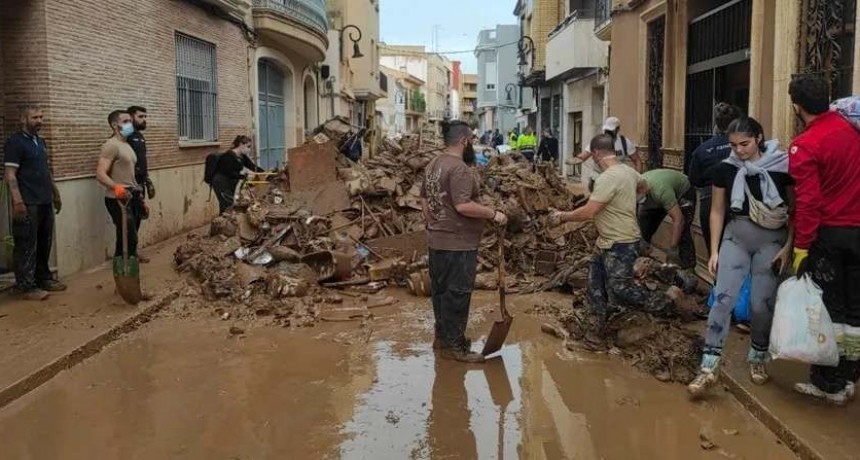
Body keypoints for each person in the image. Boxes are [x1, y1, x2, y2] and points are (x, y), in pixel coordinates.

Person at [687, 117, 794, 399]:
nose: (739, 150)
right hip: (735, 237)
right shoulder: (725, 169)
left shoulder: (783, 167)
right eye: (734, 145)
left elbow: (795, 211)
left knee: (761, 305)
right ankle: (709, 366)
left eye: (744, 144)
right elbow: (717, 211)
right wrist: (714, 250)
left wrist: (790, 246)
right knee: (722, 300)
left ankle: (758, 355)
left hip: (772, 242)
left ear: (759, 138)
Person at [552, 134, 674, 335]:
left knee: (620, 288)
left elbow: (588, 212)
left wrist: (561, 217)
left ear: (596, 153)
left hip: (622, 242)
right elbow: (645, 187)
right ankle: (595, 326)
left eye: (592, 156)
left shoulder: (607, 179)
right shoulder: (629, 171)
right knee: (595, 283)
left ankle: (665, 302)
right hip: (606, 241)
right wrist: (627, 200)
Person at [788, 74, 860, 405]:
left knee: (830, 310)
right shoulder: (851, 131)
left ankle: (828, 382)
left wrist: (801, 247)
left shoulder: (805, 145)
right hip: (857, 234)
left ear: (797, 107)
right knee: (855, 310)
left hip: (828, 236)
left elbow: (809, 202)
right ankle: (848, 377)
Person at [421, 120, 507, 363]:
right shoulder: (459, 168)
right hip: (458, 245)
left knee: (440, 293)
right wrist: (493, 214)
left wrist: (435, 224)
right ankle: (456, 347)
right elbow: (463, 205)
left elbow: (425, 202)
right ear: (464, 141)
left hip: (437, 241)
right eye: (472, 140)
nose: (472, 145)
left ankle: (442, 339)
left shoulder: (433, 164)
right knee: (457, 294)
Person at [3, 105, 66, 300]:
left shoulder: (40, 142)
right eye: (34, 117)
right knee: (26, 244)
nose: (39, 120)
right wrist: (18, 201)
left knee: (44, 241)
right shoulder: (15, 142)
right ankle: (26, 286)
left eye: (41, 117)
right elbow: (10, 174)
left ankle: (43, 277)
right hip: (28, 201)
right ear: (23, 119)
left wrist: (55, 194)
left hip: (44, 199)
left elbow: (46, 171)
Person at [688, 103, 742, 256]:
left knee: (715, 251)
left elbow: (693, 180)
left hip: (709, 201)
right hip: (738, 201)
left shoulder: (702, 149)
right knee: (740, 251)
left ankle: (720, 279)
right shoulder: (743, 146)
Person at [95, 110, 147, 263]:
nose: (129, 125)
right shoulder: (111, 145)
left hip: (131, 195)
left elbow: (130, 174)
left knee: (129, 238)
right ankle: (122, 273)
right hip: (117, 198)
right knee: (128, 236)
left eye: (130, 121)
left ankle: (127, 273)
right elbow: (100, 173)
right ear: (114, 125)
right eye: (125, 122)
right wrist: (117, 188)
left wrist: (141, 198)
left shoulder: (127, 145)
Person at [637, 169, 697, 269]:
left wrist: (673, 248)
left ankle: (687, 267)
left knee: (683, 230)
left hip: (684, 191)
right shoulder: (632, 187)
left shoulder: (661, 191)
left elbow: (679, 220)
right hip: (657, 190)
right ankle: (642, 259)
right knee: (644, 227)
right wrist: (640, 239)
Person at [211, 135, 264, 214]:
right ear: (241, 145)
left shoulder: (242, 157)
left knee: (232, 204)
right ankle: (221, 223)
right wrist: (245, 177)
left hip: (231, 182)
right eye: (248, 146)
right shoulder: (227, 157)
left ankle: (225, 222)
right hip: (220, 182)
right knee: (226, 205)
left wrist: (265, 173)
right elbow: (230, 173)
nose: (249, 150)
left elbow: (252, 167)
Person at [126, 106, 152, 263]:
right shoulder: (125, 135)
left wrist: (147, 180)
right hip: (130, 184)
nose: (144, 119)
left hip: (141, 182)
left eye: (145, 116)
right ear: (131, 117)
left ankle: (133, 251)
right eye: (140, 116)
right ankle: (127, 255)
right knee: (129, 221)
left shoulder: (140, 137)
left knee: (138, 218)